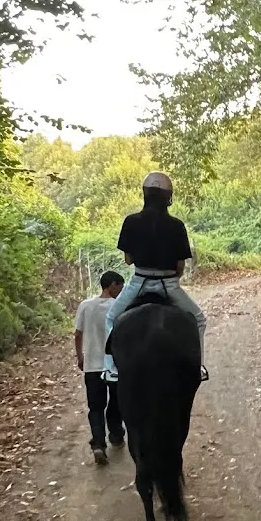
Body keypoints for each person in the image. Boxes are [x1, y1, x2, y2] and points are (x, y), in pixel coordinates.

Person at [102, 172, 208, 382]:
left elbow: (128, 260)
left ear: (145, 194)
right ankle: (198, 367)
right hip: (168, 283)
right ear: (168, 197)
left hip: (139, 282)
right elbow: (180, 266)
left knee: (111, 318)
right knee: (199, 319)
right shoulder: (177, 225)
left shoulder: (131, 221)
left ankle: (111, 369)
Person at [75, 270, 126, 465]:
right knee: (116, 402)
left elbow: (78, 334)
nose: (121, 291)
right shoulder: (119, 307)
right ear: (112, 284)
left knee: (95, 407)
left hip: (92, 365)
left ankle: (98, 444)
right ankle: (116, 435)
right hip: (114, 365)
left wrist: (80, 357)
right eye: (120, 287)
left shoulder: (85, 306)